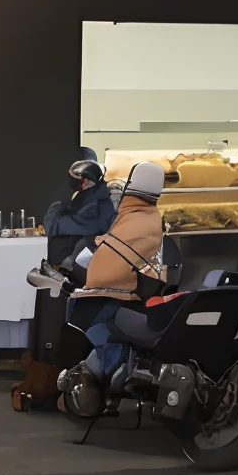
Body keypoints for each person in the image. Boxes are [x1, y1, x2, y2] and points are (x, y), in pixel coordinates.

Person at [74, 163, 169, 378]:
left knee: (93, 316)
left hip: (115, 287)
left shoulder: (127, 209)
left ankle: (106, 368)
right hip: (143, 286)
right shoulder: (151, 215)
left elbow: (112, 245)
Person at [45, 157, 115, 265]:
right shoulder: (86, 197)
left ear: (86, 181)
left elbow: (103, 225)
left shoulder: (100, 199)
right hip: (67, 251)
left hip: (77, 253)